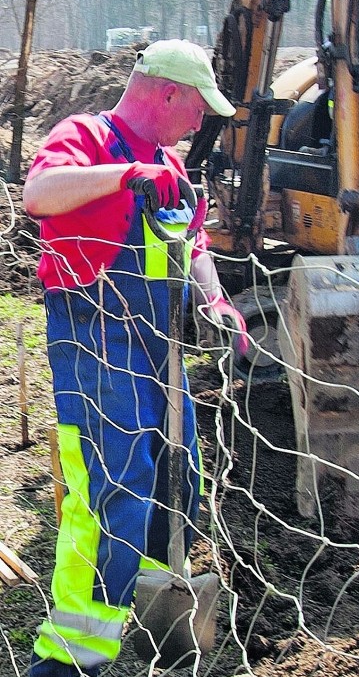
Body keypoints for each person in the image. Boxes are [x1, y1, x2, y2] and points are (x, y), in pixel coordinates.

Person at [23, 39, 248, 677]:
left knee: (179, 484)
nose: (203, 119)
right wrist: (125, 176)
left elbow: (193, 240)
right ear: (168, 92)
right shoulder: (88, 137)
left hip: (159, 345)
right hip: (95, 339)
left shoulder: (169, 164)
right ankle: (71, 656)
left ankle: (141, 616)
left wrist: (217, 299)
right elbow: (41, 194)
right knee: (112, 491)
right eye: (200, 105)